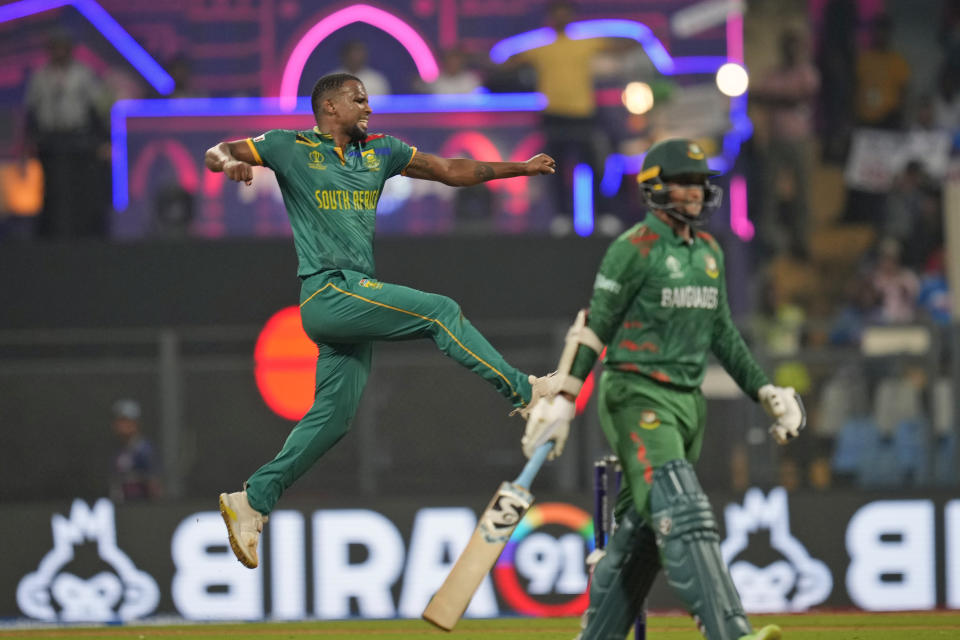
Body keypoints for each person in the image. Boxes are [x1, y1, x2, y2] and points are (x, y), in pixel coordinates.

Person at [205, 72, 556, 568]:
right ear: (329, 107)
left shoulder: (381, 151)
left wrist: (516, 168)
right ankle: (524, 393)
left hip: (351, 301)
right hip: (329, 289)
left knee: (333, 420)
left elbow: (450, 169)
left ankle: (252, 500)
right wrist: (229, 165)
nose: (368, 107)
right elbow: (217, 150)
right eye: (358, 99)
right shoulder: (288, 147)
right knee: (440, 311)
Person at [518, 139, 805, 640]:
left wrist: (765, 391)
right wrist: (564, 399)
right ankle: (732, 633)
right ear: (655, 187)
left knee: (643, 535)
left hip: (688, 406)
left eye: (700, 182)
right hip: (637, 396)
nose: (695, 192)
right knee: (683, 509)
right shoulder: (633, 249)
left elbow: (724, 336)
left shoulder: (710, 253)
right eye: (684, 181)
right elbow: (595, 326)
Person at [24, 30, 110, 238]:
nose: (60, 52)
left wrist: (102, 140)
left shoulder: (83, 74)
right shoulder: (40, 76)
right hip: (50, 138)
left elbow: (95, 109)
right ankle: (53, 235)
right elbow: (32, 111)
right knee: (51, 189)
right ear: (50, 50)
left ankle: (82, 234)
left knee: (80, 187)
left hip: (78, 137)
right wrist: (30, 140)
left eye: (64, 47)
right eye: (56, 47)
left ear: (70, 49)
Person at [109, 398, 163, 502]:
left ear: (135, 423)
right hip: (122, 507)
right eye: (119, 421)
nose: (120, 425)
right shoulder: (120, 450)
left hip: (140, 507)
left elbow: (154, 485)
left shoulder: (144, 450)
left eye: (124, 421)